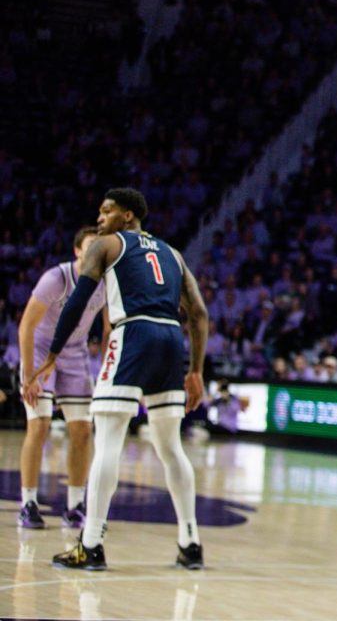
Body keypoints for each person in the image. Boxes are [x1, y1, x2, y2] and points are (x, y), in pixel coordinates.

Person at [22, 188, 208, 570]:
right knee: (171, 446)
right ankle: (190, 544)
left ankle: (90, 545)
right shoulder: (173, 253)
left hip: (134, 334)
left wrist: (54, 352)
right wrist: (197, 371)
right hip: (171, 340)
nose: (100, 218)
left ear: (127, 216)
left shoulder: (107, 245)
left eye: (107, 211)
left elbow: (76, 302)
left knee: (107, 441)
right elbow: (200, 313)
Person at [17, 227, 107, 529]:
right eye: (91, 246)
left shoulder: (106, 282)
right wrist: (30, 375)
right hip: (42, 351)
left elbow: (109, 329)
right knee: (39, 426)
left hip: (76, 353)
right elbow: (26, 327)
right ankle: (28, 502)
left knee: (83, 431)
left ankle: (75, 505)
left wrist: (109, 367)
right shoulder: (57, 279)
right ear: (77, 251)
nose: (96, 251)